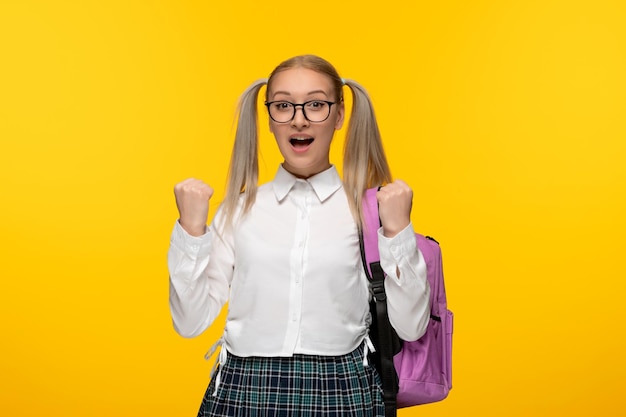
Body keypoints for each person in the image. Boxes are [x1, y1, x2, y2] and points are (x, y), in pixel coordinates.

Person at [168, 54, 431, 417]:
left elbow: (412, 327)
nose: (299, 119)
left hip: (341, 390)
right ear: (270, 117)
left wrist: (398, 233)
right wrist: (191, 232)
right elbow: (190, 322)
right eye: (283, 106)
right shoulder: (238, 209)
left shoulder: (370, 211)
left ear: (339, 115)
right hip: (245, 389)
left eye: (316, 105)